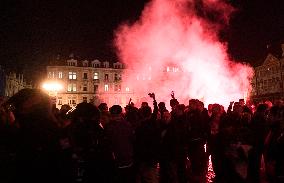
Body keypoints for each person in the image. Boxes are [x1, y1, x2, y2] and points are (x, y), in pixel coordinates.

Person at [105, 105, 134, 183]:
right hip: (128, 158)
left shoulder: (108, 127)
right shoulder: (128, 125)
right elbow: (132, 140)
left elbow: (107, 144)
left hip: (115, 160)